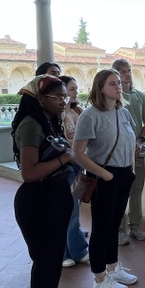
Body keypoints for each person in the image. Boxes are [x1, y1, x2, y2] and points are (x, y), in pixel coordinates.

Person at [11, 75, 79, 288]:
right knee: (46, 262)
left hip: (54, 195)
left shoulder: (47, 120)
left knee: (51, 261)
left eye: (66, 96)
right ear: (40, 98)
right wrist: (66, 157)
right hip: (38, 200)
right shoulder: (30, 125)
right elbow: (29, 172)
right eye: (58, 97)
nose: (64, 101)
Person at [73, 70, 139, 288]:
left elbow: (130, 141)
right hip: (104, 176)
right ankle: (99, 278)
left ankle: (112, 267)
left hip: (123, 174)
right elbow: (78, 153)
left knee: (114, 223)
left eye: (119, 82)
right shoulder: (90, 115)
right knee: (101, 228)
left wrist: (129, 168)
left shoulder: (123, 112)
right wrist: (106, 174)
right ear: (100, 88)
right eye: (113, 83)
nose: (119, 86)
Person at [113, 58, 145, 245]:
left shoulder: (140, 96)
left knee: (137, 191)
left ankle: (135, 226)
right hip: (120, 154)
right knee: (121, 192)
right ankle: (120, 230)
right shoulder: (114, 99)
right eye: (122, 71)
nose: (127, 74)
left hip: (138, 151)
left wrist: (140, 141)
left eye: (128, 70)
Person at [58, 76, 90, 268]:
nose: (75, 92)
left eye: (76, 89)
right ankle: (67, 252)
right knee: (68, 209)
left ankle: (75, 249)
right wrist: (78, 145)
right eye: (71, 89)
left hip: (79, 163)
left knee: (75, 206)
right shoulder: (60, 115)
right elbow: (61, 141)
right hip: (65, 164)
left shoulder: (79, 112)